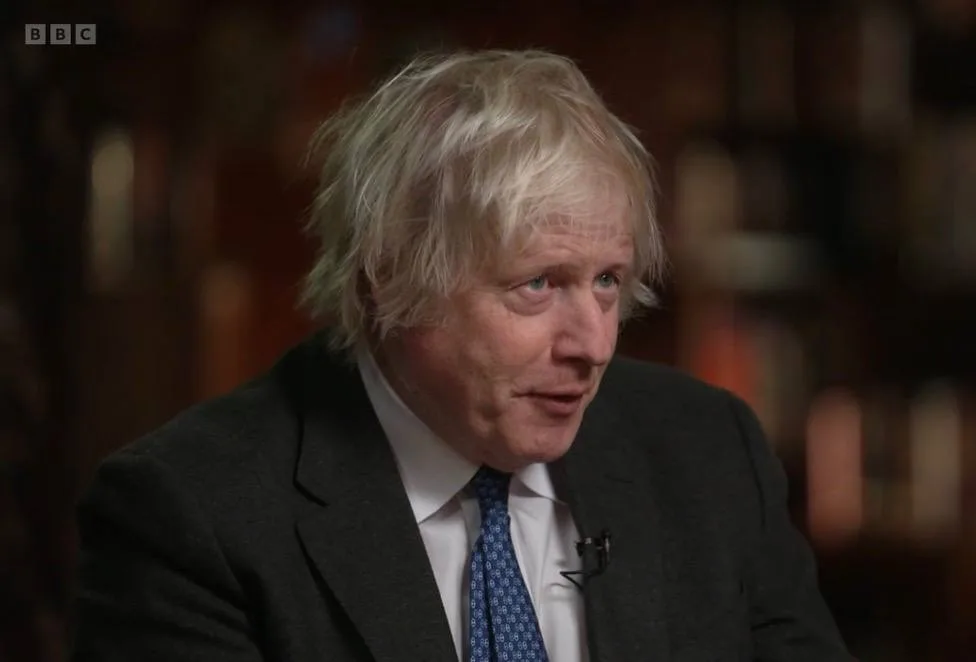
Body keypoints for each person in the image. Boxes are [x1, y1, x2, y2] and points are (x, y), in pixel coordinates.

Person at [70, 49, 852, 662]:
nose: (593, 345)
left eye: (607, 282)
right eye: (538, 284)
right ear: (389, 280)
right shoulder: (191, 515)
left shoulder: (710, 451)